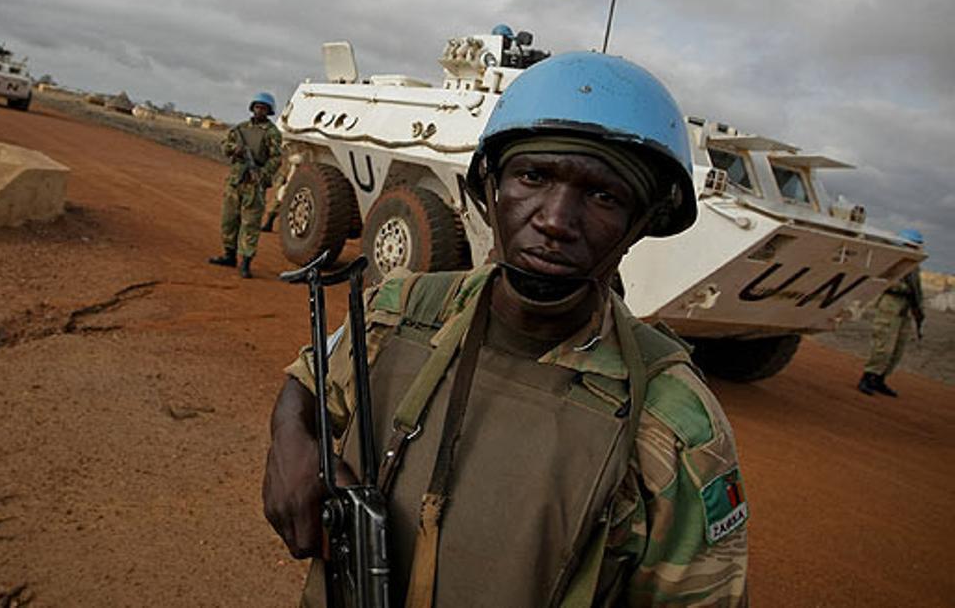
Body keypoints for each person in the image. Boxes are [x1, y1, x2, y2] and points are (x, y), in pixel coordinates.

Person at [262, 52, 749, 606]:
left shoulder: (671, 422)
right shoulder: (399, 310)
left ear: (640, 224)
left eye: (604, 195)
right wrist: (290, 440)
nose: (556, 221)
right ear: (488, 188)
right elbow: (310, 381)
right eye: (533, 176)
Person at [208, 92, 282, 278]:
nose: (259, 111)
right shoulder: (240, 129)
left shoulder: (272, 133)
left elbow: (276, 158)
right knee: (229, 220)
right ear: (252, 108)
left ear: (269, 111)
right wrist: (236, 149)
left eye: (264, 108)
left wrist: (262, 174)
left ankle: (246, 262)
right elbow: (225, 146)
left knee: (250, 224)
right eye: (257, 107)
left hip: (254, 184)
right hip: (235, 181)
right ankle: (229, 255)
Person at [858, 229, 926, 397]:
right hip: (891, 305)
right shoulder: (893, 260)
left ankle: (880, 379)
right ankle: (868, 377)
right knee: (883, 346)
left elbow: (917, 290)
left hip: (905, 308)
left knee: (897, 348)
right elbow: (884, 281)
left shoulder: (913, 266)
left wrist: (918, 309)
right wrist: (902, 288)